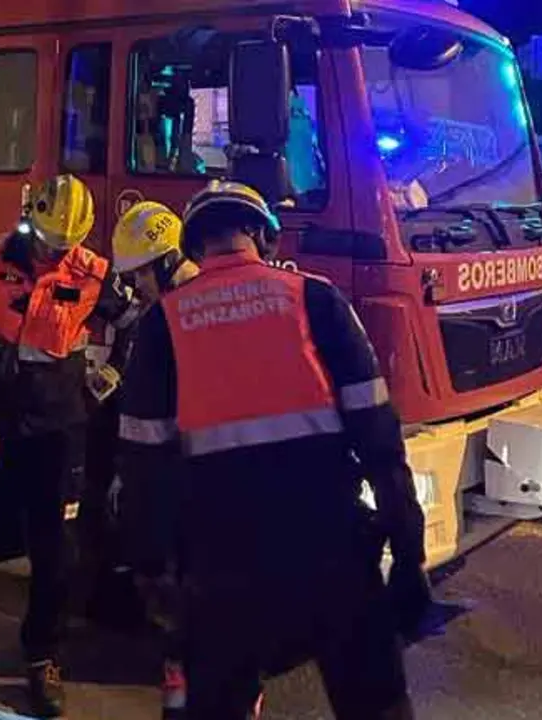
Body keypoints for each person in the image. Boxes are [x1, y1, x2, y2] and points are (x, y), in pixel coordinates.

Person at [117, 180, 430, 720]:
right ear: (265, 238)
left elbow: (144, 469)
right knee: (377, 708)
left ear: (193, 248)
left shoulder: (160, 327)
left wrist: (153, 573)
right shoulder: (317, 300)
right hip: (333, 554)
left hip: (221, 571)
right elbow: (380, 442)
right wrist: (408, 551)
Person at [0, 174, 138, 717]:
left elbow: (132, 321)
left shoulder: (93, 273)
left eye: (64, 244)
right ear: (31, 218)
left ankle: (41, 655)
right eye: (48, 240)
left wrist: (109, 379)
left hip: (59, 422)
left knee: (56, 550)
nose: (55, 252)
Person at [83, 201, 201, 717]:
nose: (136, 290)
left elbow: (153, 415)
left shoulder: (174, 315)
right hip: (218, 476)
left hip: (183, 478)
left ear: (163, 261)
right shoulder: (200, 301)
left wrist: (127, 482)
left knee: (178, 595)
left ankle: (186, 689)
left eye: (139, 276)